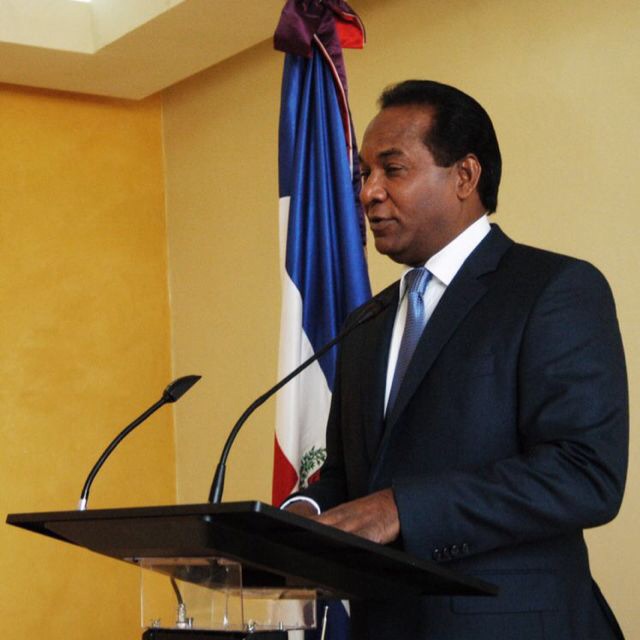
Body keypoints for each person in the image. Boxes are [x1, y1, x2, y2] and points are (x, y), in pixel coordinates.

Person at [284, 80, 628, 639]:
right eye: (364, 175)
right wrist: (304, 513)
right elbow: (351, 477)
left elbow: (584, 474)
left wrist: (403, 508)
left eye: (392, 169)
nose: (369, 192)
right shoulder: (366, 322)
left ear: (465, 176)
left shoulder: (553, 289)